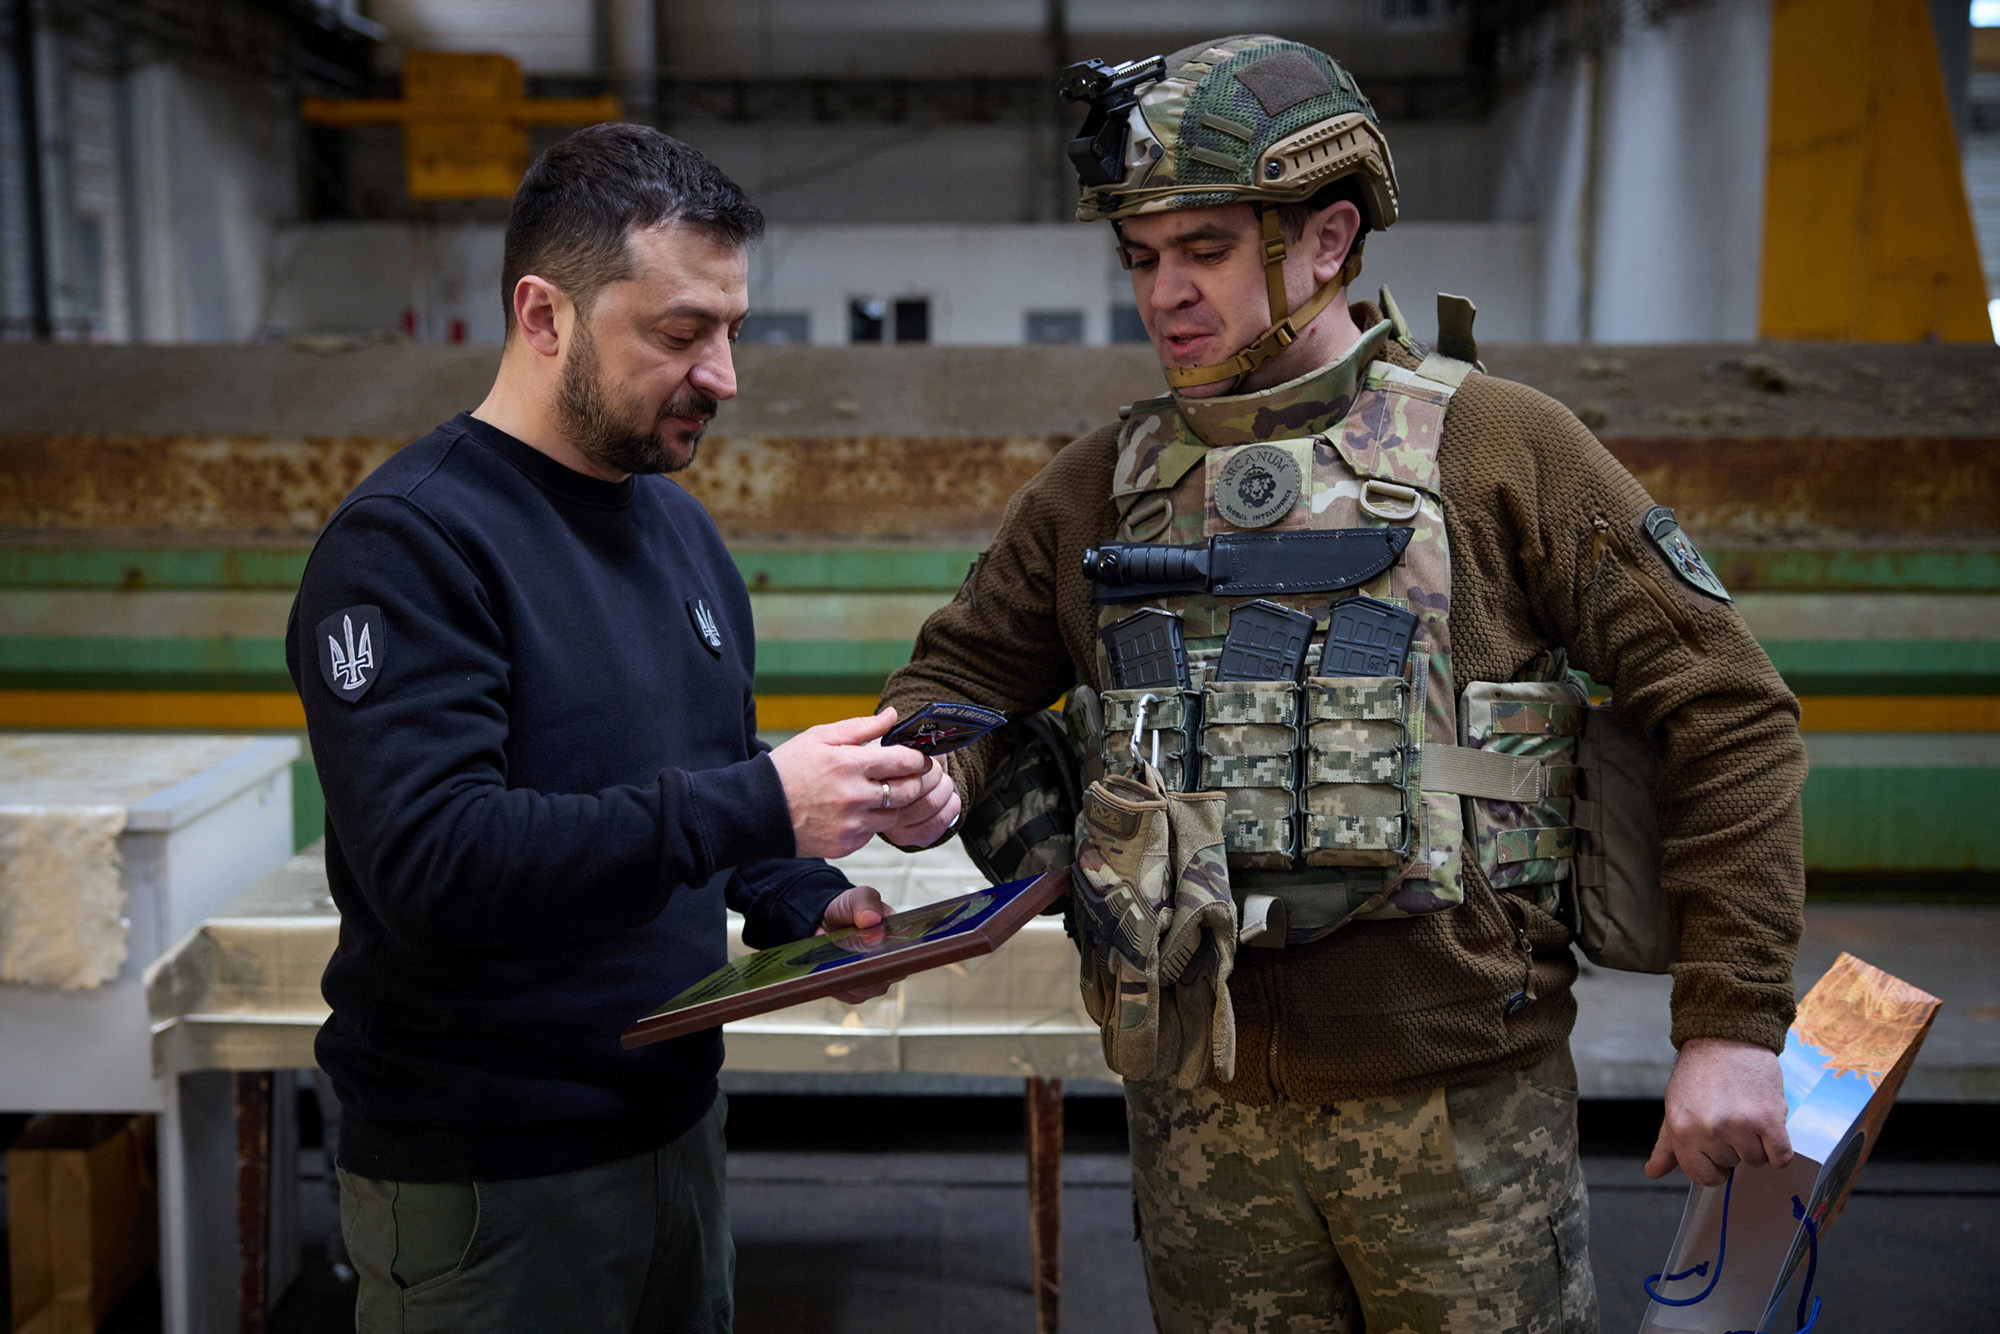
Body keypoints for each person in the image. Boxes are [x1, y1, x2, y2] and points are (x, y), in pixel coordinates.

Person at [881, 35, 1805, 1333]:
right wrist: (934, 764)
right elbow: (961, 676)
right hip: (1200, 1109)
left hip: (1459, 1116)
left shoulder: (1497, 443)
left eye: (1202, 248)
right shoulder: (1100, 482)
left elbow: (1727, 701)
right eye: (1141, 256)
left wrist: (1733, 1023)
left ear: (1326, 238)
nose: (1164, 292)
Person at [287, 123, 958, 1334]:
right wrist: (763, 798)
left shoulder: (680, 532)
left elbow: (698, 799)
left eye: (733, 331)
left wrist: (812, 899)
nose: (723, 376)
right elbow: (437, 863)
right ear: (543, 315)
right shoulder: (410, 545)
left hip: (674, 1131)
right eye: (678, 332)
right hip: (487, 1179)